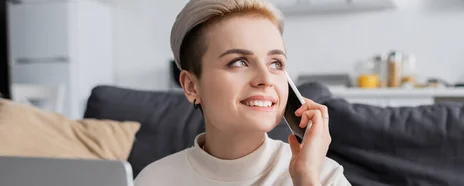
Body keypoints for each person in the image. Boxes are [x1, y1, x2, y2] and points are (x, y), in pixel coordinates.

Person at [133, 0, 351, 185]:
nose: (266, 80)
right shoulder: (154, 179)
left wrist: (306, 179)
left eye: (275, 63)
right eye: (239, 62)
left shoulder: (324, 177)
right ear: (191, 86)